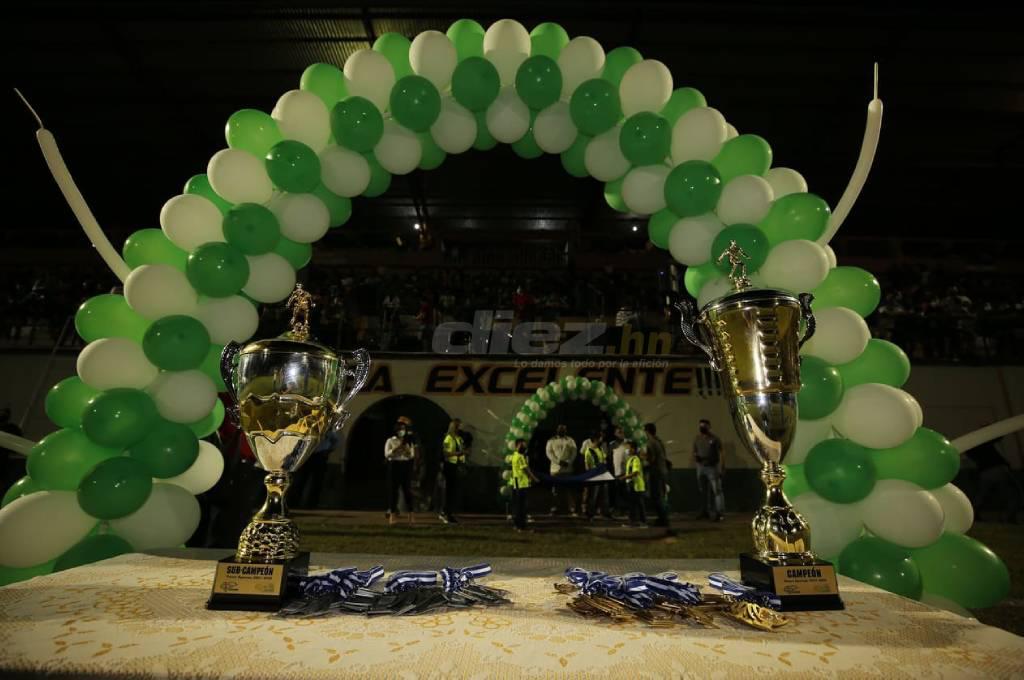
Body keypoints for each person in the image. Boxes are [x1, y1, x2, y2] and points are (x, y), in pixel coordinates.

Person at [966, 439, 1022, 523]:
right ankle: (1008, 516)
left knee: (981, 495)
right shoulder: (984, 445)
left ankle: (973, 515)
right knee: (1013, 494)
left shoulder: (973, 450)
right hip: (996, 469)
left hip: (985, 471)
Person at [384, 416, 417, 525]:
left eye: (403, 429)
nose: (402, 431)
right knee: (393, 491)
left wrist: (406, 450)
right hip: (394, 465)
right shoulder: (390, 440)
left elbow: (412, 455)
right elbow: (387, 454)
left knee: (407, 490)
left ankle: (411, 516)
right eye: (400, 429)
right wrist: (397, 449)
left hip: (405, 465)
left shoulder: (409, 441)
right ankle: (392, 515)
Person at [693, 419, 725, 521]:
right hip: (701, 468)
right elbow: (694, 451)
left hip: (712, 467)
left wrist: (722, 467)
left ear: (709, 427)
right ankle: (705, 511)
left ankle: (719, 513)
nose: (702, 428)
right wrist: (696, 458)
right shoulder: (697, 439)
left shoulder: (715, 439)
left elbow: (721, 453)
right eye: (701, 426)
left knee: (717, 491)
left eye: (704, 426)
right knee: (703, 491)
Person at [546, 424, 578, 516]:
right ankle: (554, 508)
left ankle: (572, 509)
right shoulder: (551, 440)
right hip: (555, 469)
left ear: (566, 430)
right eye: (560, 429)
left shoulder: (570, 440)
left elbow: (574, 452)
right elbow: (549, 453)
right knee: (555, 490)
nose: (562, 430)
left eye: (563, 429)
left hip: (568, 469)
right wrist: (558, 461)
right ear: (557, 430)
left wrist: (568, 462)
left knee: (569, 490)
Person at [644, 423, 671, 527]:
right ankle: (663, 518)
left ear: (647, 431)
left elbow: (652, 459)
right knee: (660, 496)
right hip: (662, 471)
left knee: (656, 496)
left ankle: (663, 519)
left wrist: (644, 458)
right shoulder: (659, 441)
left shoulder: (650, 442)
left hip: (656, 472)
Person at [440, 419, 466, 524]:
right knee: (449, 491)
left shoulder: (459, 438)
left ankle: (448, 512)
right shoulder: (448, 438)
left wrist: (463, 456)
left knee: (453, 491)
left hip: (456, 466)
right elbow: (446, 454)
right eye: (458, 426)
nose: (460, 428)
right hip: (449, 466)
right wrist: (458, 453)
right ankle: (446, 513)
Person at [510, 438, 539, 531]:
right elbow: (525, 469)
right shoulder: (520, 457)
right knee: (521, 506)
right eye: (522, 445)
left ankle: (517, 525)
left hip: (517, 483)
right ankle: (521, 526)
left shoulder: (514, 456)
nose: (524, 447)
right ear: (517, 446)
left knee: (518, 506)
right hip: (521, 484)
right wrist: (534, 478)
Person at [581, 430, 611, 520]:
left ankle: (605, 513)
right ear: (596, 439)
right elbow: (587, 466)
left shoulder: (600, 449)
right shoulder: (589, 451)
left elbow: (604, 460)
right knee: (593, 496)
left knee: (605, 496)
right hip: (595, 476)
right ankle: (590, 514)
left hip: (603, 475)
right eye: (600, 437)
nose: (602, 439)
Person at [622, 441, 647, 527]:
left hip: (637, 486)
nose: (627, 450)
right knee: (633, 505)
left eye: (629, 448)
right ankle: (634, 522)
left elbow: (635, 472)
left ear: (633, 449)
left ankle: (642, 522)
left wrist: (624, 477)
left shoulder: (635, 459)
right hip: (633, 485)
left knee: (638, 505)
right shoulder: (631, 459)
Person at [610, 426, 629, 516]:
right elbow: (610, 458)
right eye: (619, 432)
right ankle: (618, 509)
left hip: (626, 472)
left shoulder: (628, 443)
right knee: (617, 492)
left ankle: (626, 510)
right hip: (616, 472)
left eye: (622, 432)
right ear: (615, 434)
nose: (621, 433)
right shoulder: (612, 445)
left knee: (626, 492)